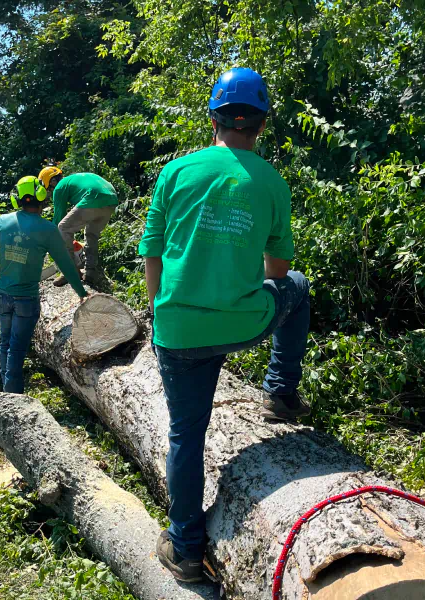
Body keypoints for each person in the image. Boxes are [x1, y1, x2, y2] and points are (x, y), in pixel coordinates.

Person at [138, 68, 311, 582]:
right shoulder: (271, 180)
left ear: (213, 116)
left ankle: (187, 550)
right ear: (261, 124)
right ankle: (280, 392)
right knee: (298, 286)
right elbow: (277, 272)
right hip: (245, 322)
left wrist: (161, 314)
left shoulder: (175, 172)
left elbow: (151, 253)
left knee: (185, 435)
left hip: (178, 333)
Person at [0, 175, 87, 394]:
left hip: (3, 295)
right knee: (16, 349)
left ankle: (6, 395)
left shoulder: (3, 222)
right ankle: (12, 399)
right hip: (26, 299)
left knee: (5, 343)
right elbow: (65, 264)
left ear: (17, 198)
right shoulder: (48, 229)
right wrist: (81, 293)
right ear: (42, 197)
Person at [38, 166, 118, 289]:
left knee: (63, 228)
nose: (50, 191)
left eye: (49, 188)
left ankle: (69, 272)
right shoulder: (74, 179)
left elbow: (58, 220)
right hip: (111, 198)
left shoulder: (59, 187)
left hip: (93, 196)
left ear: (52, 181)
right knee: (91, 234)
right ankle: (90, 272)